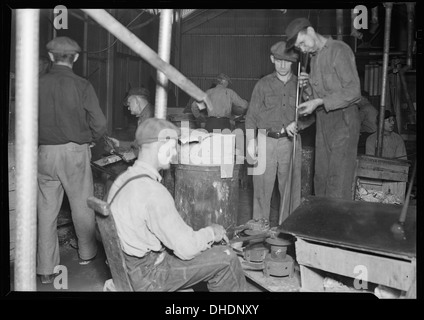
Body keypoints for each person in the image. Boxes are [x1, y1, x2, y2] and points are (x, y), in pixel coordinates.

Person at [106, 118, 247, 291]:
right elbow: (186, 249)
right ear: (161, 146)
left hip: (127, 268)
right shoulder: (153, 191)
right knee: (227, 258)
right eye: (172, 147)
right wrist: (212, 232)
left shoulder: (122, 180)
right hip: (151, 276)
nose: (174, 154)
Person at [37, 36, 107, 283]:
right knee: (81, 205)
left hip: (44, 153)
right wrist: (92, 139)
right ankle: (87, 255)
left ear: (51, 57)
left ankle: (45, 269)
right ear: (75, 58)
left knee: (46, 211)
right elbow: (99, 122)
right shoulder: (82, 85)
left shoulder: (37, 84)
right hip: (75, 152)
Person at [286, 17, 362, 200]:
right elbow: (314, 98)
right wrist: (306, 88)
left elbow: (354, 91)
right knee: (320, 179)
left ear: (311, 31)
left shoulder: (339, 50)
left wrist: (319, 102)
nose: (302, 49)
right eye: (299, 47)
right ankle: (323, 226)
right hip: (324, 124)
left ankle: (337, 227)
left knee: (338, 182)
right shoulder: (314, 58)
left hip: (344, 122)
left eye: (303, 43)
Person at [245, 41, 313, 224]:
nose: (283, 66)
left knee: (291, 192)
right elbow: (251, 116)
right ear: (272, 59)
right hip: (264, 140)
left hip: (289, 143)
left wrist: (297, 124)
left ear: (294, 62)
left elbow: (311, 115)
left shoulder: (301, 86)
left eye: (287, 61)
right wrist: (251, 142)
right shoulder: (262, 85)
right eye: (279, 61)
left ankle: (288, 234)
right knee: (261, 190)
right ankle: (259, 233)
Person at [108, 87, 154, 153]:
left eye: (129, 103)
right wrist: (119, 144)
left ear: (137, 101)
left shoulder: (149, 117)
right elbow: (138, 144)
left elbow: (144, 148)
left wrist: (130, 154)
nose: (128, 108)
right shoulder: (145, 115)